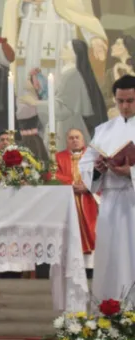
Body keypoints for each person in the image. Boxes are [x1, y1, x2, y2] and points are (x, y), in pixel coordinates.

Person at [80, 75, 135, 303]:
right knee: (112, 259)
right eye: (120, 101)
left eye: (130, 101)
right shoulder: (103, 129)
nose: (124, 106)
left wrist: (131, 172)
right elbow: (86, 162)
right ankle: (111, 311)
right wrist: (98, 168)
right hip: (111, 202)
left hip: (132, 199)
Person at [55, 128, 98, 271]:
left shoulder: (93, 156)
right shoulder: (58, 157)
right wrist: (72, 184)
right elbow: (54, 175)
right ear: (66, 141)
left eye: (77, 137)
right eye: (71, 138)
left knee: (94, 230)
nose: (74, 140)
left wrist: (88, 186)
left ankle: (91, 268)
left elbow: (103, 175)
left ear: (83, 140)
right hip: (68, 202)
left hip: (90, 201)